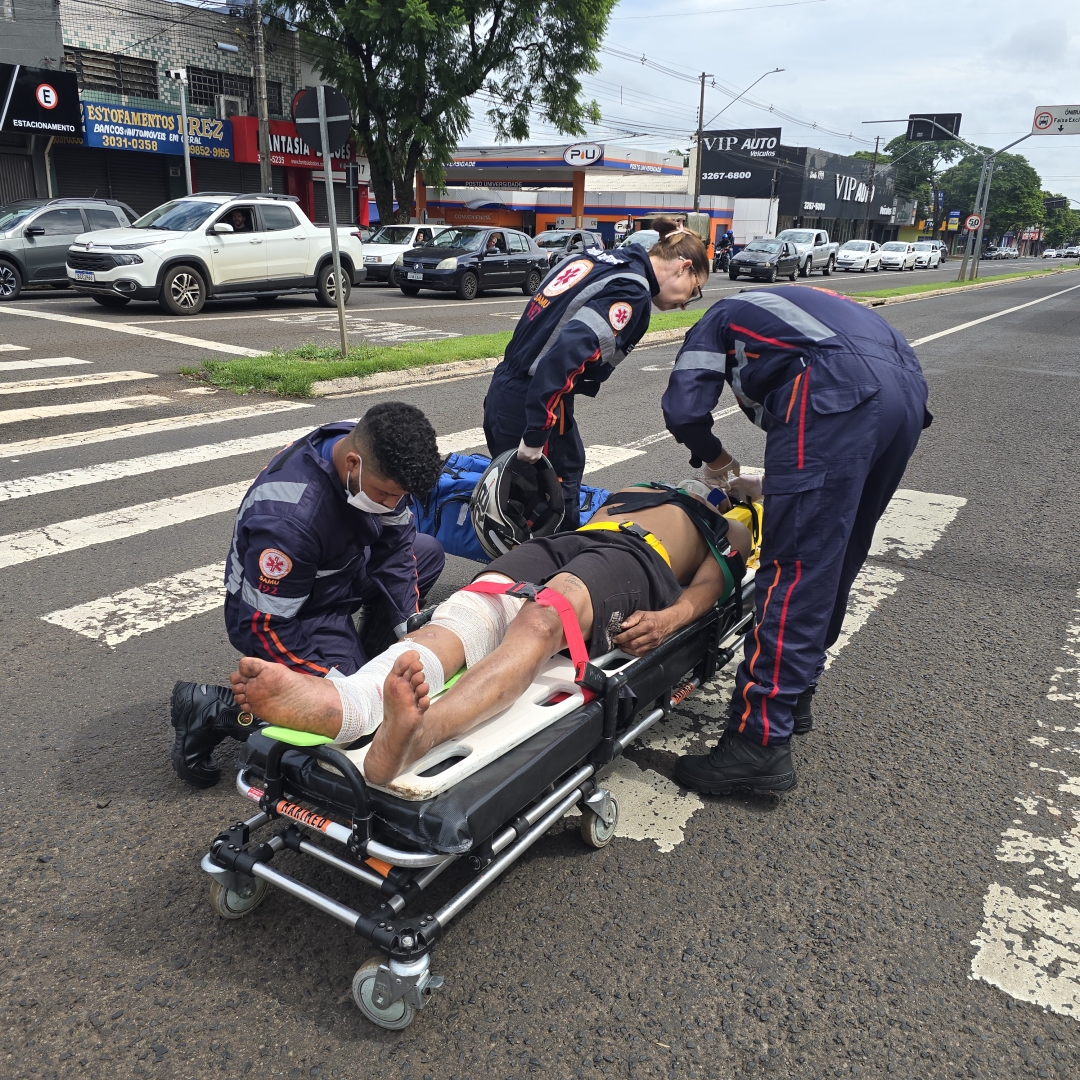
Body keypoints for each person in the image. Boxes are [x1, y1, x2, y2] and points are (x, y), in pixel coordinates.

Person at [229, 482, 754, 785]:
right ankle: (348, 706)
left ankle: (419, 735)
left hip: (642, 559)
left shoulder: (732, 527)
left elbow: (710, 586)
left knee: (543, 619)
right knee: (471, 609)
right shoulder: (645, 490)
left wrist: (670, 619)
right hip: (574, 540)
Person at [660, 285, 932, 795]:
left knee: (794, 569)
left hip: (832, 388)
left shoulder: (720, 316)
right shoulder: (807, 306)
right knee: (836, 555)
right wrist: (768, 486)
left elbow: (683, 407)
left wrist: (714, 458)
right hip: (906, 395)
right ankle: (795, 694)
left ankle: (757, 742)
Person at [170, 403, 446, 788]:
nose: (391, 505)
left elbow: (398, 546)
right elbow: (262, 627)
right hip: (292, 613)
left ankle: (366, 662)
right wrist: (339, 692)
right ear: (352, 464)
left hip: (337, 570)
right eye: (385, 494)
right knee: (361, 719)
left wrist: (407, 625)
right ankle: (215, 710)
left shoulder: (370, 447)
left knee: (427, 551)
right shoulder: (289, 521)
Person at [483, 217, 710, 532]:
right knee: (549, 514)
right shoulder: (631, 289)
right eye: (695, 290)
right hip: (535, 397)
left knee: (518, 506)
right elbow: (565, 355)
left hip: (504, 387)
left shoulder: (592, 258)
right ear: (683, 267)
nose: (686, 303)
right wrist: (536, 433)